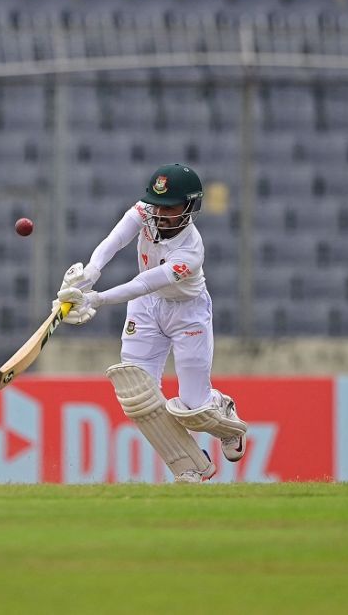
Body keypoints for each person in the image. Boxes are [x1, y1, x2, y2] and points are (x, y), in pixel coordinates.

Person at [55, 163, 246, 483]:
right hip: (146, 309)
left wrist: (95, 299)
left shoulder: (190, 250)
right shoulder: (146, 210)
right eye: (158, 204)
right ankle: (189, 465)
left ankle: (224, 415)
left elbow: (146, 283)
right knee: (136, 392)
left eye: (170, 207)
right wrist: (89, 275)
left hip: (187, 313)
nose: (160, 213)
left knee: (194, 410)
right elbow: (114, 241)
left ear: (189, 207)